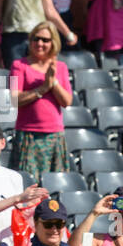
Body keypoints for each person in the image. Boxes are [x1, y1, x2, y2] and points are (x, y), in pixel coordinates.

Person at [9, 21, 72, 183]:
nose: (40, 43)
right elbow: (14, 99)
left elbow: (66, 101)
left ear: (53, 43)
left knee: (55, 184)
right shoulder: (19, 65)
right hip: (28, 134)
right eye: (36, 39)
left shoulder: (61, 67)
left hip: (54, 135)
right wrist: (43, 88)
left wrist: (53, 81)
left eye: (45, 40)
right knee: (27, 185)